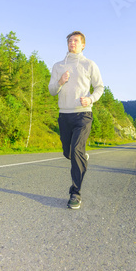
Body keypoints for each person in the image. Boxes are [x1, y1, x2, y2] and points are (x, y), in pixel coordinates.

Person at [48, 31, 104, 209]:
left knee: (76, 150)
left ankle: (75, 193)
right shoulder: (58, 66)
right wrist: (61, 82)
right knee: (69, 153)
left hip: (83, 114)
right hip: (65, 115)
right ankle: (80, 157)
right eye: (70, 40)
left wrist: (91, 99)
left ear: (83, 45)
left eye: (76, 40)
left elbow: (99, 87)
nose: (72, 43)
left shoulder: (89, 64)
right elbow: (51, 90)